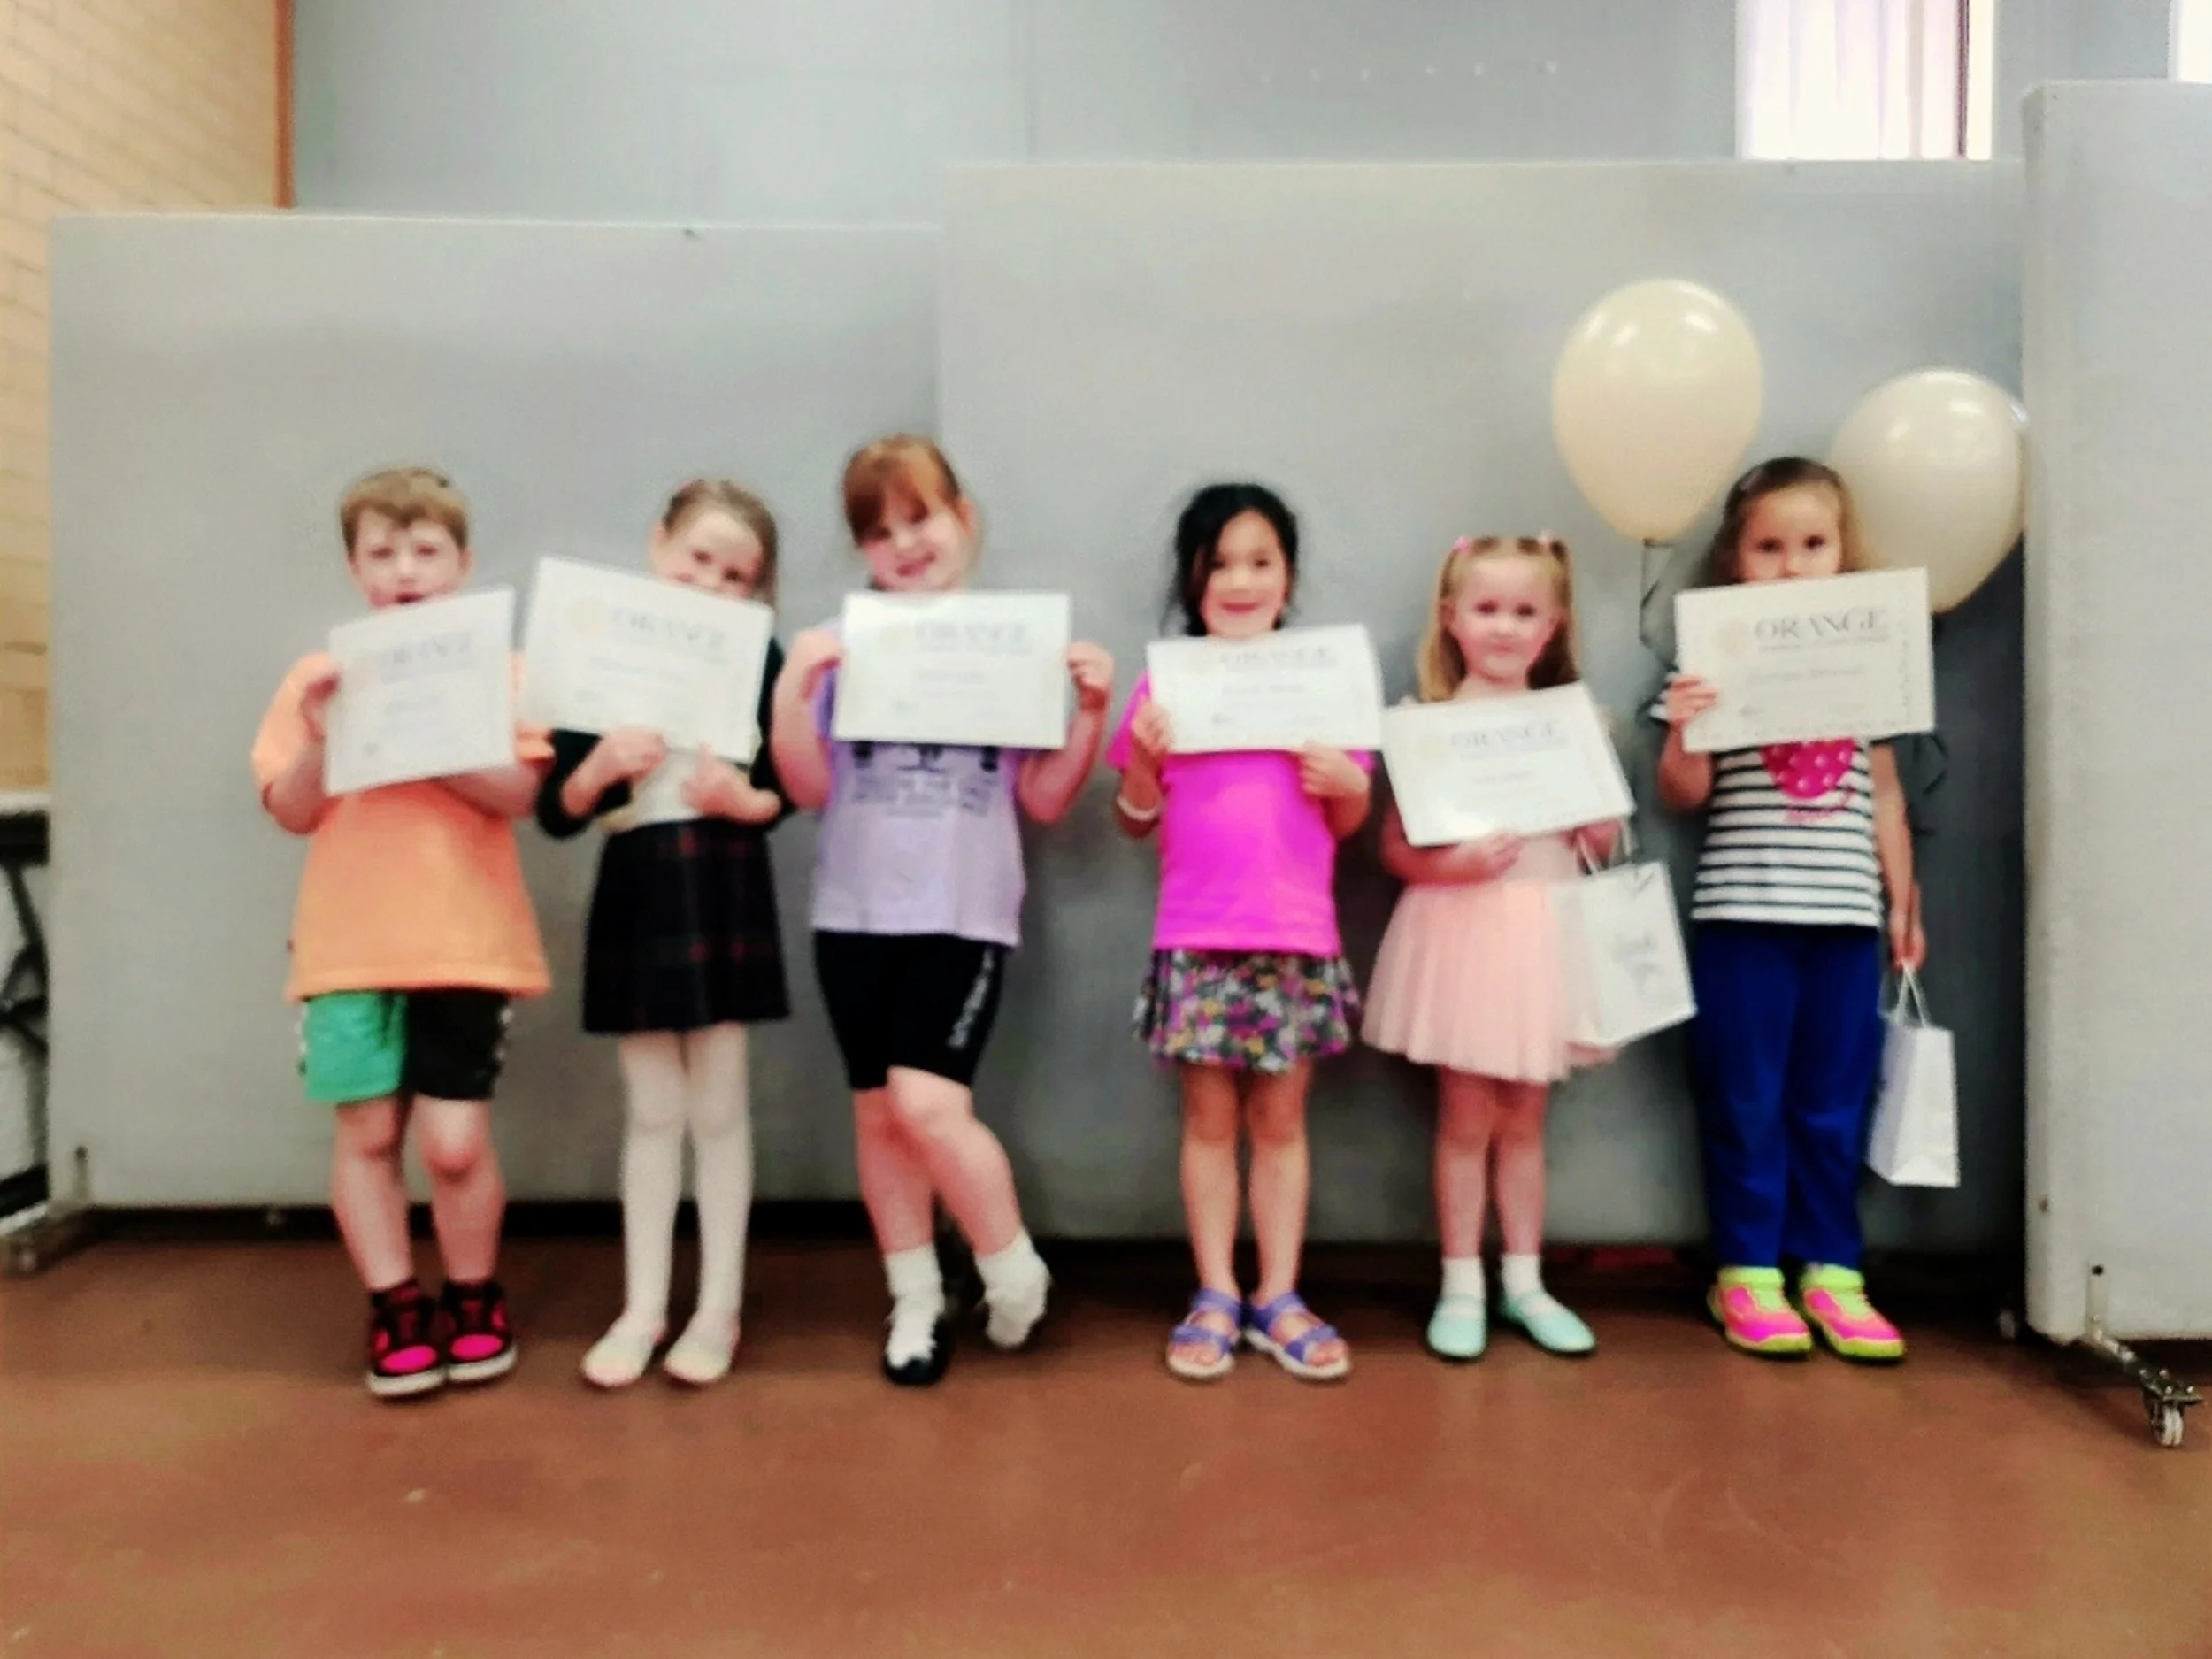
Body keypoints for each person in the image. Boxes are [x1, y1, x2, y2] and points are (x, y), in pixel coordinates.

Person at [769, 435, 1115, 1386]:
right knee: (881, 1119)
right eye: (879, 534)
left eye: (919, 518)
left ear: (964, 519)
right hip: (853, 912)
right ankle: (915, 1297)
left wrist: (1088, 714)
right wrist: (792, 692)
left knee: (928, 1105)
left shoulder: (1013, 648)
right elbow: (805, 786)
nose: (904, 545)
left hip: (963, 915)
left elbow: (1041, 801)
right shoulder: (843, 653)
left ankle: (1011, 1269)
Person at [254, 466, 549, 1399]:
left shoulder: (504, 674)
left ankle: (474, 1295)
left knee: (455, 1143)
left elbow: (522, 794)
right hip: (346, 947)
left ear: (461, 563)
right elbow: (291, 809)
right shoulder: (316, 678)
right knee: (369, 1130)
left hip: (466, 940)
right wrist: (322, 736)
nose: (405, 568)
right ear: (355, 569)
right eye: (383, 551)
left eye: (426, 549)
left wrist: (441, 737)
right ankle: (395, 1307)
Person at [1656, 457, 1926, 1363]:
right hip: (1741, 919)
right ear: (1736, 562)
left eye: (1812, 544)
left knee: (1831, 1102)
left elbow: (1885, 795)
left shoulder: (1865, 673)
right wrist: (1688, 725)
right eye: (1768, 547)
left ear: (1842, 555)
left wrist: (1903, 904)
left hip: (1846, 923)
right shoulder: (1712, 664)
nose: (1791, 563)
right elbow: (1680, 797)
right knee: (1744, 1098)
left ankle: (1831, 1272)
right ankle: (1746, 1272)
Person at [1110, 483, 1371, 1383]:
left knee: (1282, 1120)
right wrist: (1144, 759)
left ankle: (1280, 1295)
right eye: (1220, 562)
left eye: (1261, 561)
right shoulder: (1165, 685)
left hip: (1295, 935)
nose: (1241, 579)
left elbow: (1344, 828)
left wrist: (1348, 781)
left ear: (1288, 576)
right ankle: (1216, 1291)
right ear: (1192, 578)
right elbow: (1134, 819)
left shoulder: (1324, 682)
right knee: (1209, 1120)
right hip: (1197, 932)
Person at [537, 480, 794, 1389]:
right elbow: (557, 808)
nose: (713, 584)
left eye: (737, 575)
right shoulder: (597, 646)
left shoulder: (763, 658)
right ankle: (643, 1307)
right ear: (658, 546)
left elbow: (788, 790)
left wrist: (745, 799)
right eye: (698, 560)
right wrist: (602, 765)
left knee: (719, 1104)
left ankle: (717, 1306)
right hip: (639, 883)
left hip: (723, 882)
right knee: (651, 1109)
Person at [1365, 534, 1624, 1362]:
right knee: (1465, 1116)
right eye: (1486, 609)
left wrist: (1599, 827)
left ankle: (1525, 1280)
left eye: (1523, 612)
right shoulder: (1429, 728)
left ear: (1551, 626)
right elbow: (1394, 848)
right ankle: (1460, 1282)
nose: (1504, 628)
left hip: (1544, 930)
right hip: (1464, 931)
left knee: (1525, 1118)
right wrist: (1450, 864)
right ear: (1452, 619)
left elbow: (1604, 843)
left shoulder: (1576, 723)